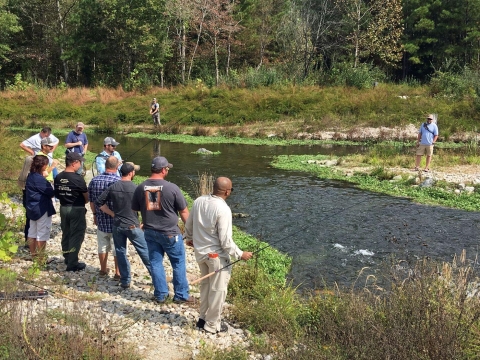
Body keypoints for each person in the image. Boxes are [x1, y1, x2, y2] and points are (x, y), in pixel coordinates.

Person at [184, 177, 253, 333]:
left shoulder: (199, 201)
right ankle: (212, 325)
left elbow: (189, 223)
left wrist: (189, 238)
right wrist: (241, 254)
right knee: (218, 291)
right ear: (227, 191)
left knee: (206, 287)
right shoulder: (223, 209)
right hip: (216, 258)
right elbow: (225, 241)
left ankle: (202, 319)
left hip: (200, 254)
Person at [131, 156, 192, 303]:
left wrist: (145, 219)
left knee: (156, 263)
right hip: (170, 233)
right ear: (164, 170)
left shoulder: (140, 187)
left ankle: (161, 295)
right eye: (167, 169)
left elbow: (135, 209)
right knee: (177, 262)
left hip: (150, 232)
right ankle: (181, 295)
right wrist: (191, 232)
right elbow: (184, 212)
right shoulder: (172, 188)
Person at [95, 162, 152, 289]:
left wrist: (112, 214)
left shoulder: (113, 186)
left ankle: (125, 280)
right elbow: (147, 206)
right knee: (145, 252)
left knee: (120, 252)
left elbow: (99, 202)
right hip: (133, 225)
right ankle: (156, 277)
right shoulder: (136, 188)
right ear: (131, 173)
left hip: (118, 225)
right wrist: (144, 222)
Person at [54, 152, 89, 272]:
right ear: (74, 163)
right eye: (80, 162)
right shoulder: (78, 179)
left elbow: (57, 194)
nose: (80, 165)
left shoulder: (58, 177)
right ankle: (72, 263)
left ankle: (67, 257)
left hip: (63, 207)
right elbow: (86, 197)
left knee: (66, 232)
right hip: (76, 208)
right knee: (76, 234)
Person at [88, 156, 121, 278]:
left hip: (101, 219)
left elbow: (92, 201)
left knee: (102, 245)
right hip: (116, 220)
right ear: (117, 166)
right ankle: (118, 272)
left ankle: (103, 269)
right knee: (117, 246)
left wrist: (95, 215)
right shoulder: (119, 181)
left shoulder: (94, 180)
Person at [25, 155, 56, 264]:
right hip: (41, 208)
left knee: (32, 232)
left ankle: (34, 255)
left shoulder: (31, 176)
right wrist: (46, 179)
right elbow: (51, 192)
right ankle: (41, 259)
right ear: (43, 165)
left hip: (32, 207)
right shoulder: (39, 179)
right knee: (42, 233)